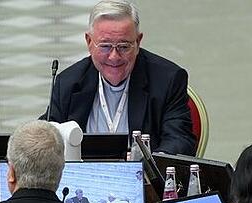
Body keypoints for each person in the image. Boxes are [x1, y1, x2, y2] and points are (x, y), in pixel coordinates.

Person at [44, 0, 196, 156]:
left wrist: (150, 165)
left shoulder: (168, 80)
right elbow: (46, 135)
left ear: (137, 42)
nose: (114, 57)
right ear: (89, 42)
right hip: (84, 178)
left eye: (124, 46)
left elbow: (180, 139)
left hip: (141, 178)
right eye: (105, 46)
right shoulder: (67, 82)